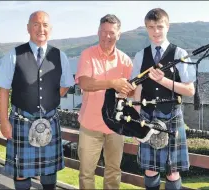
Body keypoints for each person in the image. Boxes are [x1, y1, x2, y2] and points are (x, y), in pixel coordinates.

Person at [0, 11, 74, 190]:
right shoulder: (14, 55)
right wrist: (4, 121)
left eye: (45, 25)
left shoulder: (60, 56)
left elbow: (65, 85)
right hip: (22, 122)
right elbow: (3, 90)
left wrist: (49, 100)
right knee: (21, 173)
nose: (41, 29)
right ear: (28, 28)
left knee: (49, 172)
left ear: (50, 29)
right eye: (36, 24)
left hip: (50, 121)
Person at [131, 8, 196, 190]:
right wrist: (137, 123)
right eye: (151, 27)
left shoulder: (180, 54)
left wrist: (164, 80)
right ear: (146, 28)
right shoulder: (140, 55)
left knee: (172, 171)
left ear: (167, 27)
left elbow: (190, 90)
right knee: (150, 170)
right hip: (147, 116)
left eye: (159, 26)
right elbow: (138, 89)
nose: (156, 31)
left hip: (172, 116)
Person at [75, 14, 134, 189]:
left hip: (116, 126)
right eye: (103, 31)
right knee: (86, 173)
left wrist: (128, 92)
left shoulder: (125, 60)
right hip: (90, 125)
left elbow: (131, 92)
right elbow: (84, 83)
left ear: (119, 35)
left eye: (111, 32)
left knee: (114, 172)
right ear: (98, 32)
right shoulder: (87, 55)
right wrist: (113, 83)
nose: (106, 36)